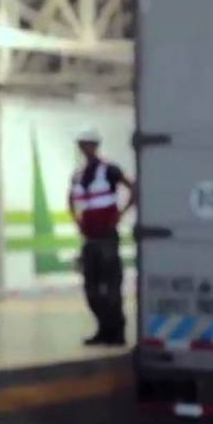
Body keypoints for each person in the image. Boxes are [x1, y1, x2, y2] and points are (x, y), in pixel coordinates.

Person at [68, 128, 136, 346]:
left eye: (88, 144)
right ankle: (103, 329)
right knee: (91, 289)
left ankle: (116, 333)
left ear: (95, 146)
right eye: (82, 144)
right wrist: (76, 219)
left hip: (107, 237)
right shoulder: (78, 174)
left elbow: (133, 188)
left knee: (111, 287)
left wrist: (121, 214)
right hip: (89, 238)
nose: (84, 148)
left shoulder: (109, 170)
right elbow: (71, 198)